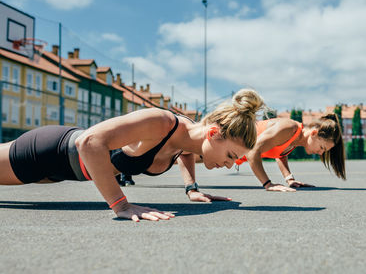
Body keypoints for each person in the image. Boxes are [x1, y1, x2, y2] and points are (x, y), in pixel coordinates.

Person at [0, 89, 264, 222]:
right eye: (230, 155)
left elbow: (184, 152)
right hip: (50, 153)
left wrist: (192, 189)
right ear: (214, 132)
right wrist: (121, 205)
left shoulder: (189, 140)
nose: (230, 164)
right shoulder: (161, 122)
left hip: (62, 172)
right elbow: (89, 142)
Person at [235, 114, 345, 192]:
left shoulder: (295, 140)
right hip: (226, 139)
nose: (321, 153)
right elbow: (252, 150)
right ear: (314, 133)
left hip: (231, 154)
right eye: (322, 147)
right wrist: (267, 184)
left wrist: (290, 179)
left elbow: (280, 154)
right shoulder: (289, 128)